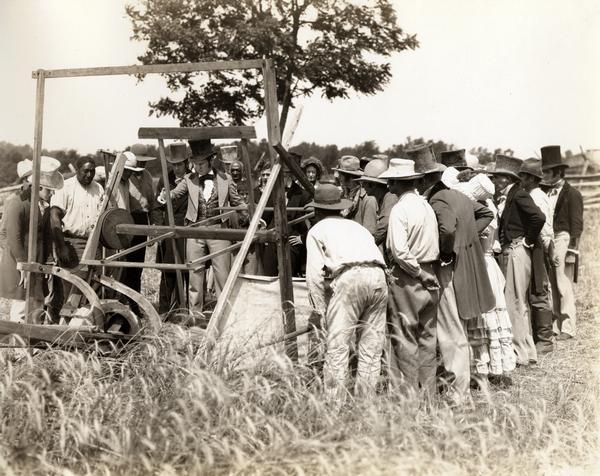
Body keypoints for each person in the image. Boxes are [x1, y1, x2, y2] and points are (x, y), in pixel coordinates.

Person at [305, 183, 388, 402]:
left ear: (318, 211)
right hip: (379, 275)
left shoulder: (316, 230)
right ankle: (366, 403)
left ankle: (334, 405)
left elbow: (313, 275)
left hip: (350, 278)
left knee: (337, 347)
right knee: (372, 347)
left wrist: (319, 310)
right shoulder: (357, 227)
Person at [419, 162, 495, 400]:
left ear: (429, 181)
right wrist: (469, 235)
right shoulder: (459, 196)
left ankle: (457, 393)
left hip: (449, 268)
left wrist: (447, 251)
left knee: (451, 329)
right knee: (459, 328)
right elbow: (486, 213)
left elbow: (448, 229)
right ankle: (461, 386)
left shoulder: (438, 199)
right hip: (466, 265)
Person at [451, 173, 517, 385]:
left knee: (481, 316)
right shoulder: (490, 211)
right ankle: (494, 366)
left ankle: (482, 368)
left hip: (480, 265)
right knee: (492, 317)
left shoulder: (478, 215)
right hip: (490, 264)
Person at [381, 159, 440, 396]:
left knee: (404, 337)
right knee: (427, 337)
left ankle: (406, 397)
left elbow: (399, 250)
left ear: (397, 182)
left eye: (390, 181)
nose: (388, 186)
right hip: (430, 271)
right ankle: (428, 395)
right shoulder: (426, 207)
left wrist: (419, 273)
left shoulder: (400, 209)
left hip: (409, 275)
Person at [168, 139, 244, 313]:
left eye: (201, 163)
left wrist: (253, 216)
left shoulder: (226, 179)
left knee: (222, 275)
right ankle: (195, 315)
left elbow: (237, 202)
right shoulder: (189, 179)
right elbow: (175, 193)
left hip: (219, 231)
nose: (198, 167)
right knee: (195, 274)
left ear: (211, 160)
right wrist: (165, 195)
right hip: (195, 231)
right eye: (195, 164)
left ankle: (223, 314)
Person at [490, 155, 545, 367]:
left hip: (516, 250)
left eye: (497, 177)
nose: (494, 181)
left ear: (506, 179)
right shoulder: (511, 195)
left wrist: (527, 241)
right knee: (519, 302)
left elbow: (538, 217)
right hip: (515, 250)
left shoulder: (518, 195)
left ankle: (521, 353)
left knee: (514, 302)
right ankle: (527, 351)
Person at [0, 161, 65, 322]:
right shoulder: (17, 203)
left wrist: (49, 259)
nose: (52, 194)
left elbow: (47, 236)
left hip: (38, 260)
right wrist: (22, 263)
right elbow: (12, 235)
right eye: (50, 190)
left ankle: (33, 339)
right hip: (20, 262)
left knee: (37, 303)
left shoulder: (43, 206)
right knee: (22, 303)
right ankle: (18, 343)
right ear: (39, 187)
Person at [540, 145, 583, 340]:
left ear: (558, 171)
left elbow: (577, 224)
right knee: (552, 283)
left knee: (562, 282)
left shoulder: (572, 193)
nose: (544, 175)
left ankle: (568, 326)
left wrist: (573, 249)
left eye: (548, 171)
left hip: (563, 238)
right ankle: (556, 324)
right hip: (550, 239)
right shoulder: (545, 191)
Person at [518, 158, 556, 355]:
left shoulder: (537, 197)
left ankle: (545, 339)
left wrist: (545, 249)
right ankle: (539, 336)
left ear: (532, 179)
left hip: (538, 245)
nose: (521, 180)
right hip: (536, 245)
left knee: (539, 290)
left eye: (523, 176)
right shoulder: (531, 194)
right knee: (534, 289)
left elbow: (544, 226)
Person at [153, 142, 189, 315]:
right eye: (174, 164)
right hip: (168, 231)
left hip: (187, 232)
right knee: (168, 273)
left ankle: (185, 310)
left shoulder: (193, 180)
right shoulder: (164, 179)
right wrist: (160, 227)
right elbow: (157, 206)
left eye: (180, 164)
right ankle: (164, 313)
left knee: (188, 271)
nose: (176, 168)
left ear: (186, 163)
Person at [261, 156, 312, 277]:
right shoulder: (272, 191)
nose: (282, 176)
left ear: (292, 175)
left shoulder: (304, 195)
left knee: (289, 279)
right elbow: (264, 217)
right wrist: (262, 230)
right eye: (281, 173)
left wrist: (302, 238)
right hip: (272, 240)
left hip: (291, 244)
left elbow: (315, 220)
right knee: (268, 276)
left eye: (285, 173)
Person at [50, 156, 104, 261]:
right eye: (86, 171)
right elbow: (54, 216)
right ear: (77, 170)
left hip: (95, 244)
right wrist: (61, 246)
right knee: (74, 277)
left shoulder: (98, 188)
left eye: (92, 171)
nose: (89, 175)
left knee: (95, 277)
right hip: (73, 245)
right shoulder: (65, 187)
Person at [119, 144, 156, 293]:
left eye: (144, 161)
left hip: (143, 220)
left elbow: (151, 202)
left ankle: (135, 300)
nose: (142, 164)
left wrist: (152, 226)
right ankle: (124, 298)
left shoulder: (147, 175)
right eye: (139, 161)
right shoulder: (125, 176)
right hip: (128, 219)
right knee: (126, 263)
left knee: (138, 264)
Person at [356, 158, 398, 253]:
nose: (363, 186)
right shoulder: (384, 199)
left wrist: (365, 247)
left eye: (364, 183)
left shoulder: (390, 198)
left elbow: (383, 227)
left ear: (372, 184)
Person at [332, 156, 377, 235]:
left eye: (341, 174)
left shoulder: (368, 199)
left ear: (348, 177)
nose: (339, 177)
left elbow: (369, 232)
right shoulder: (343, 196)